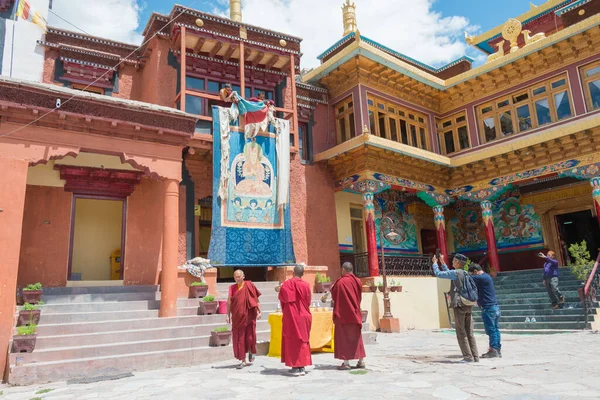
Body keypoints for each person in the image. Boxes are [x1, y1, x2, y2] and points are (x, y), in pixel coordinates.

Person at [432, 253, 479, 363]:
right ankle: (475, 356)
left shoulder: (455, 273)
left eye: (453, 261)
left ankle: (467, 357)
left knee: (461, 332)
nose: (452, 262)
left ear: (457, 263)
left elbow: (439, 274)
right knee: (469, 332)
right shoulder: (465, 273)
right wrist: (443, 263)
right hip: (468, 303)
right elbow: (449, 273)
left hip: (459, 304)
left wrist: (435, 263)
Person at [278, 265, 312, 376]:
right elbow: (307, 302)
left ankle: (295, 366)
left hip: (291, 317)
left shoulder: (287, 284)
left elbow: (282, 298)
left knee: (292, 341)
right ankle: (302, 366)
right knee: (303, 341)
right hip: (304, 316)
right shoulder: (306, 285)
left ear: (293, 272)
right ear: (303, 274)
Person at [331, 262, 366, 370]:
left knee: (344, 338)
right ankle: (361, 361)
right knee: (357, 338)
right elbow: (359, 297)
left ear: (343, 269)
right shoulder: (358, 281)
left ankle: (346, 363)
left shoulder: (341, 282)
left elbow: (335, 296)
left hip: (344, 315)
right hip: (355, 313)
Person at [226, 270, 262, 369]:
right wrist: (227, 314)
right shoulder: (232, 288)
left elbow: (255, 299)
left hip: (249, 316)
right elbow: (229, 302)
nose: (237, 279)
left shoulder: (249, 285)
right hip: (237, 318)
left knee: (250, 337)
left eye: (238, 277)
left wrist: (260, 311)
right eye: (235, 277)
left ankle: (251, 350)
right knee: (240, 338)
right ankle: (243, 360)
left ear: (243, 276)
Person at [468, 263, 502, 358]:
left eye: (472, 274)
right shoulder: (486, 276)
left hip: (488, 308)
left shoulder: (481, 277)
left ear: (475, 271)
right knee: (495, 329)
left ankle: (493, 350)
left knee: (491, 330)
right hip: (494, 307)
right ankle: (497, 349)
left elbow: (467, 279)